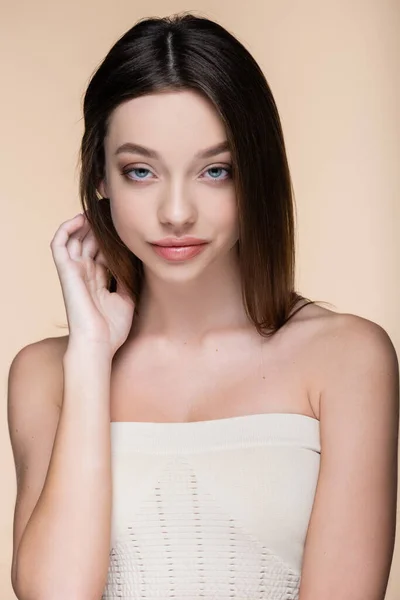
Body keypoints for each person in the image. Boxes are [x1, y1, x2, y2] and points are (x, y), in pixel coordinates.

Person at [7, 12, 399, 600]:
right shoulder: (46, 375)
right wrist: (90, 356)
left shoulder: (348, 359)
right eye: (140, 171)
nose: (176, 211)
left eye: (215, 171)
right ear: (101, 178)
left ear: (255, 176)